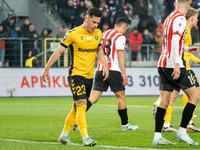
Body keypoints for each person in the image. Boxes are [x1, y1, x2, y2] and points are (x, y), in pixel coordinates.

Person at [42, 7, 109, 146]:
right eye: (93, 22)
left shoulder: (98, 33)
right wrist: (47, 68)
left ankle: (63, 136)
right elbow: (59, 51)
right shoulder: (73, 34)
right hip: (75, 75)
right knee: (82, 105)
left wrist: (106, 66)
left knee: (75, 108)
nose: (95, 26)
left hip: (89, 76)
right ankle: (86, 138)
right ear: (86, 18)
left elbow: (100, 52)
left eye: (98, 23)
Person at [154, 0, 199, 146]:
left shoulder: (169, 17)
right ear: (188, 6)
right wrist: (178, 64)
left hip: (162, 62)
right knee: (195, 96)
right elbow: (174, 41)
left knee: (164, 101)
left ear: (175, 4)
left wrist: (186, 49)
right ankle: (182, 132)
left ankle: (157, 137)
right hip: (173, 64)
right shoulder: (180, 18)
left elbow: (169, 42)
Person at [84, 17, 139, 130]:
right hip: (113, 70)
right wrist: (123, 73)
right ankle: (125, 124)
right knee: (121, 97)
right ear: (124, 27)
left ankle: (76, 119)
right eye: (126, 29)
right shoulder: (120, 37)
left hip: (100, 69)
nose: (125, 32)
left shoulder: (104, 33)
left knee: (93, 97)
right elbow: (120, 56)